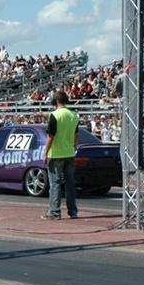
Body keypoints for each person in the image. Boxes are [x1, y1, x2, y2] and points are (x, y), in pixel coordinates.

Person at [42, 90, 79, 220]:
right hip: (69, 153)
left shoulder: (55, 115)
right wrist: (73, 147)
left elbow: (50, 137)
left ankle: (54, 212)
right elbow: (76, 135)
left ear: (56, 101)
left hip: (56, 153)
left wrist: (45, 153)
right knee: (70, 184)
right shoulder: (74, 115)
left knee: (55, 184)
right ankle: (73, 211)